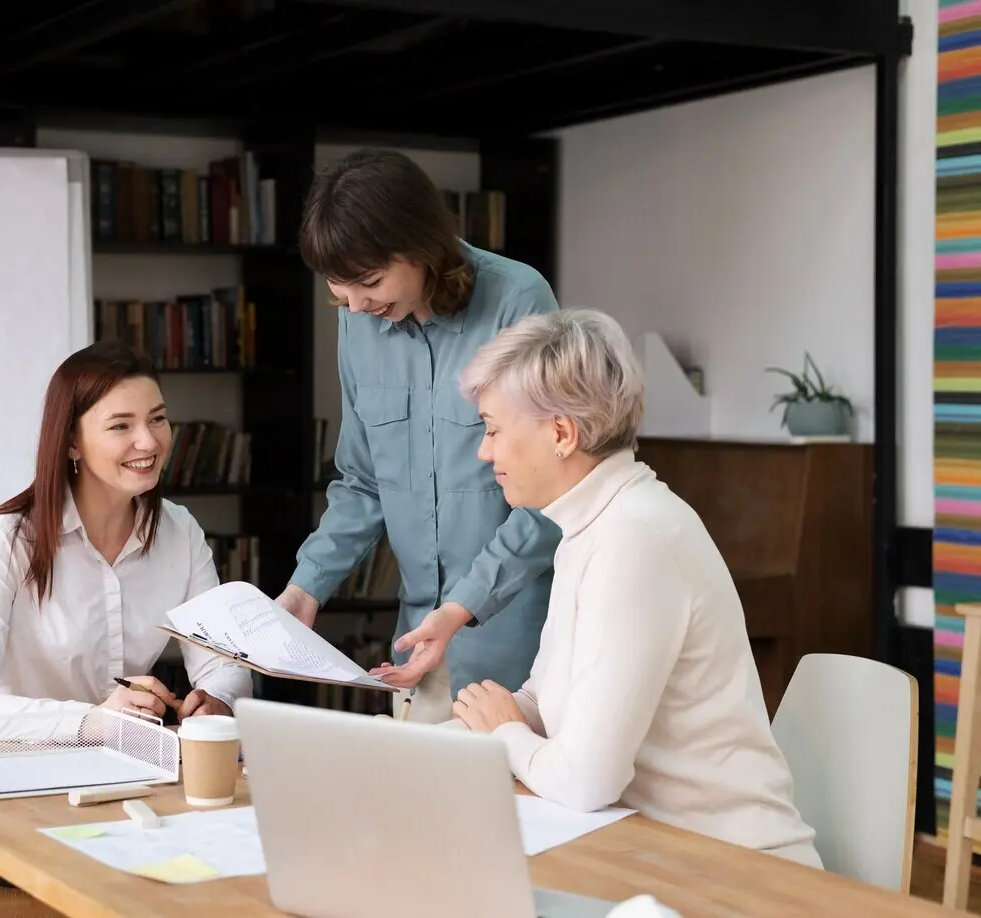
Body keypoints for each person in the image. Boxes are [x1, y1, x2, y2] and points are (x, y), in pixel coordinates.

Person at [448, 308, 822, 868]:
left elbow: (585, 782)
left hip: (738, 867)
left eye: (493, 429)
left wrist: (504, 731)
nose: (485, 451)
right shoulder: (591, 526)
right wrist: (423, 745)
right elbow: (541, 702)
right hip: (651, 848)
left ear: (561, 433)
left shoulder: (635, 537)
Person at [273, 148, 562, 721]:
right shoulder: (358, 319)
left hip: (518, 642)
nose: (356, 305)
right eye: (338, 289)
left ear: (421, 245)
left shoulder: (517, 301)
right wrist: (307, 588)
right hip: (418, 643)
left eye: (370, 282)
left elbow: (552, 489)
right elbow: (362, 482)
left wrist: (465, 603)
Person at [0, 340, 253, 728]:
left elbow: (223, 664)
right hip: (24, 759)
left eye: (157, 419)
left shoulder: (180, 532)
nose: (149, 441)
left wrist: (217, 699)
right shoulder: (6, 539)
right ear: (72, 442)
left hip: (130, 756)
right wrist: (93, 720)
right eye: (121, 426)